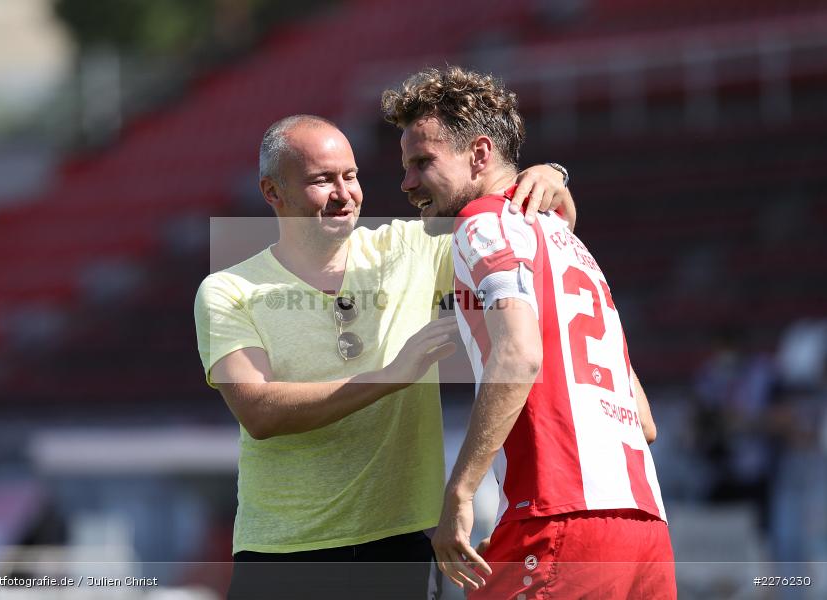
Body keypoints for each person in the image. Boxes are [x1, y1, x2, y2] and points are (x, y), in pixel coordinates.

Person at [193, 114, 576, 599]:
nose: (344, 193)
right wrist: (392, 376)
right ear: (273, 192)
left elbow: (535, 233)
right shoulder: (228, 289)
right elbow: (260, 411)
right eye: (321, 180)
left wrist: (551, 175)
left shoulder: (412, 247)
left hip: (403, 543)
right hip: (283, 551)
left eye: (349, 176)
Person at [382, 66, 675, 599]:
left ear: (479, 154)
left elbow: (518, 355)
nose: (406, 182)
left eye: (423, 162)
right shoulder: (570, 244)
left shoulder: (481, 221)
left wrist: (461, 493)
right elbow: (644, 422)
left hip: (558, 513)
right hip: (645, 526)